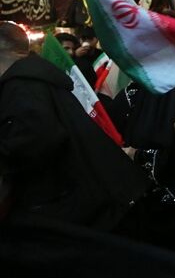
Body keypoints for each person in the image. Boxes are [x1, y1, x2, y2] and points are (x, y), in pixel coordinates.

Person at [0, 21, 147, 230]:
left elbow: (35, 140)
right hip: (98, 198)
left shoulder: (22, 85)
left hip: (84, 208)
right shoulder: (35, 78)